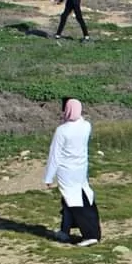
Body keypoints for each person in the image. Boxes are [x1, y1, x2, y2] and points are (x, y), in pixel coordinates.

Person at [43, 98, 100, 247]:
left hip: (67, 171)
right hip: (81, 169)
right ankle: (65, 231)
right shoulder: (86, 126)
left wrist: (49, 177)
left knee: (74, 202)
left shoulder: (62, 130)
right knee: (72, 200)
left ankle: (89, 235)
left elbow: (55, 155)